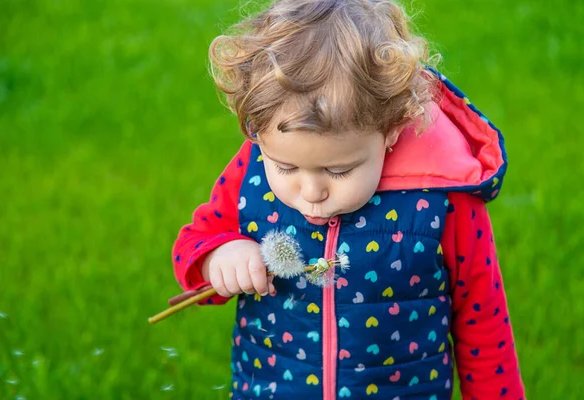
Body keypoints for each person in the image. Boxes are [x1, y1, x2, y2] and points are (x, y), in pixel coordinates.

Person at [171, 1, 525, 398]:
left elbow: (484, 323)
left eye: (338, 171)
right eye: (286, 168)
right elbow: (194, 242)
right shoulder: (251, 168)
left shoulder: (444, 197)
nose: (311, 192)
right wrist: (219, 257)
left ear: (391, 130)